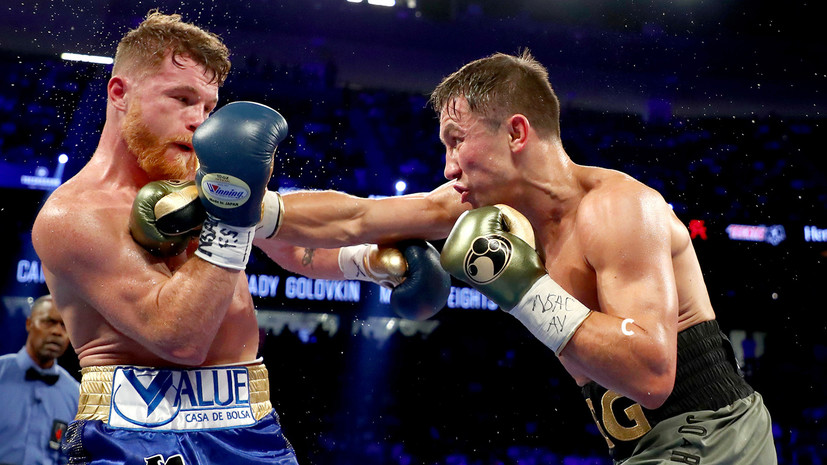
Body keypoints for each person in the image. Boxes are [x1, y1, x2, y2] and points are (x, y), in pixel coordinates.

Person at [31, 11, 464, 465]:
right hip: (136, 437)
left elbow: (298, 247)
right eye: (182, 98)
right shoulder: (73, 215)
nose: (199, 122)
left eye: (208, 107)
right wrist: (233, 221)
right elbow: (178, 337)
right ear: (120, 93)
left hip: (250, 427)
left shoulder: (200, 182)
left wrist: (369, 262)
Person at [434, 51, 777, 463]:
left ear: (516, 133)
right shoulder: (488, 208)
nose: (448, 169)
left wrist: (522, 288)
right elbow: (368, 218)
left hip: (714, 434)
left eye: (457, 141)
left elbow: (651, 376)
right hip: (643, 450)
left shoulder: (618, 206)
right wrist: (368, 261)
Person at [0, 295, 79, 465]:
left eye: (64, 325)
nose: (57, 331)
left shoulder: (75, 394)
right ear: (29, 323)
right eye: (49, 322)